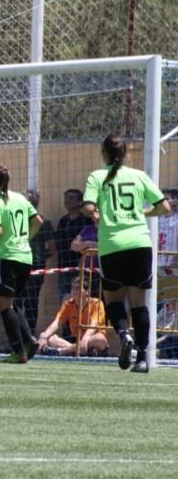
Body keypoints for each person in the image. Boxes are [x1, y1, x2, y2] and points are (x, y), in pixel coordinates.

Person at [81, 133, 170, 373]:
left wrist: (96, 213)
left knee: (113, 300)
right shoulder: (139, 176)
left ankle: (123, 335)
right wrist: (143, 214)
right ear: (126, 153)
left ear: (104, 154)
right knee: (139, 304)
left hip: (112, 245)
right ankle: (142, 358)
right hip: (140, 243)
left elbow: (88, 206)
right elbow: (164, 206)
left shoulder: (97, 176)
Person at [0, 162, 43, 365]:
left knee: (4, 306)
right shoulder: (20, 198)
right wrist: (25, 239)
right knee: (11, 302)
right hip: (26, 257)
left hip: (6, 257)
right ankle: (30, 340)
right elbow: (38, 221)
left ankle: (18, 351)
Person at [37, 277, 109, 357]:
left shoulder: (97, 303)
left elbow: (93, 324)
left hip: (92, 341)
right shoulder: (68, 304)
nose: (74, 291)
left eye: (78, 288)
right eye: (73, 288)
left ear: (87, 292)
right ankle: (78, 351)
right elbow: (57, 322)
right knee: (52, 339)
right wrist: (43, 335)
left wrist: (85, 339)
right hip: (76, 341)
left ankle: (62, 351)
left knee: (100, 339)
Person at [20, 189, 56, 333]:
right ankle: (16, 340)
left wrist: (39, 259)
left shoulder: (43, 223)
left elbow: (53, 248)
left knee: (30, 302)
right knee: (14, 302)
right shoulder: (16, 221)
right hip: (16, 266)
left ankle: (28, 338)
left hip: (34, 268)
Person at [55, 188, 92, 301]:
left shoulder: (85, 220)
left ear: (80, 202)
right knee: (64, 298)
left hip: (80, 266)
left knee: (79, 298)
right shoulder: (63, 221)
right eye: (66, 198)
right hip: (63, 266)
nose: (67, 201)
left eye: (71, 198)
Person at [157, 188, 178, 270]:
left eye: (166, 199)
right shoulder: (157, 221)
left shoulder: (176, 220)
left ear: (175, 201)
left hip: (173, 266)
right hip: (159, 265)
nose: (162, 202)